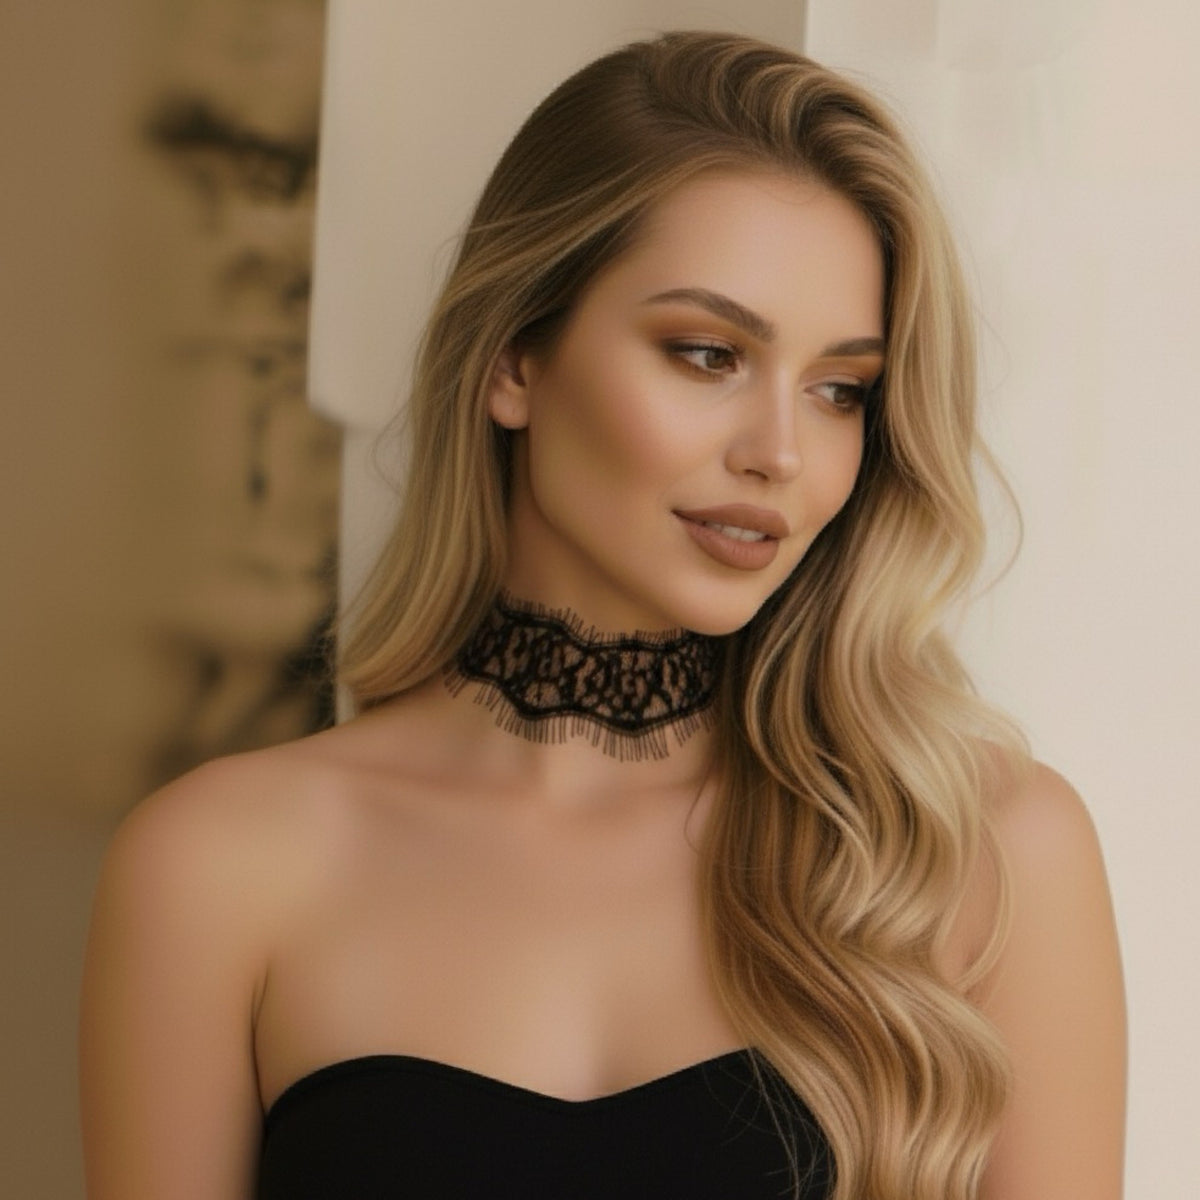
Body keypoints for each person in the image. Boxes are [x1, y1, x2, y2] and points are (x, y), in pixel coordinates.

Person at [79, 31, 1126, 1200]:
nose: (781, 452)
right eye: (705, 353)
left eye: (841, 390)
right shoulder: (218, 867)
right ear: (516, 358)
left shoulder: (980, 853)